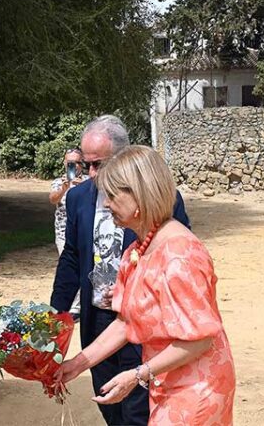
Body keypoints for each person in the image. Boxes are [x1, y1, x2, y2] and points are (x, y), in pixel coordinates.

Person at [57, 145, 235, 425]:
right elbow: (126, 323)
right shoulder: (138, 249)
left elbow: (200, 339)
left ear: (139, 195)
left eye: (113, 195)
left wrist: (138, 374)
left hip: (196, 388)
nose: (105, 204)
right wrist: (77, 364)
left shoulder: (180, 255)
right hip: (169, 382)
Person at [50, 115, 191, 426]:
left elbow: (178, 275)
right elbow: (71, 259)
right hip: (101, 320)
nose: (91, 174)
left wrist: (135, 290)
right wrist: (55, 316)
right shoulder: (76, 199)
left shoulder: (169, 216)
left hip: (147, 325)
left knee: (138, 410)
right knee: (109, 402)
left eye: (98, 164)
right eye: (86, 164)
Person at [49, 148, 88, 319]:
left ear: (82, 164)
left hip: (84, 231)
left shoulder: (89, 181)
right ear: (65, 163)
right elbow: (53, 199)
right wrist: (64, 188)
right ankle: (71, 306)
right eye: (69, 162)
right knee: (69, 266)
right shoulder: (59, 182)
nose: (73, 166)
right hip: (63, 232)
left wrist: (84, 189)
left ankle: (77, 308)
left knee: (84, 266)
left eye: (77, 162)